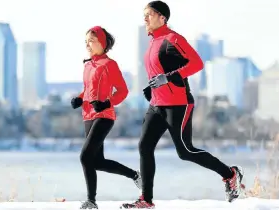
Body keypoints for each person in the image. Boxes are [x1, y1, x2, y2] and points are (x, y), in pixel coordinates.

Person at [121, 1, 245, 209]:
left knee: (185, 151)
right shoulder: (152, 42)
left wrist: (168, 79)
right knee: (145, 146)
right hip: (156, 104)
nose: (145, 19)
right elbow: (159, 72)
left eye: (149, 15)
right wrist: (152, 88)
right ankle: (146, 200)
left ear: (163, 18)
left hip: (178, 103)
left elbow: (196, 63)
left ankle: (230, 174)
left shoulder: (173, 39)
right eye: (144, 15)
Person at [70, 26, 142, 209]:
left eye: (91, 41)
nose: (88, 44)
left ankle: (91, 201)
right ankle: (135, 175)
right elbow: (88, 90)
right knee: (97, 161)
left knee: (85, 157)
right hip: (88, 115)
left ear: (102, 43)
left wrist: (106, 103)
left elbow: (123, 91)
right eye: (86, 41)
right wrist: (79, 98)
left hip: (104, 115)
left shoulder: (110, 65)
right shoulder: (87, 65)